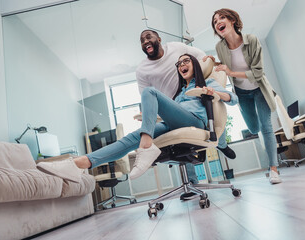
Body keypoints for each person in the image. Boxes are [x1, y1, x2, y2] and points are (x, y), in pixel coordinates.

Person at [38, 54, 238, 187]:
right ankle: (80, 163)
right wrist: (150, 118)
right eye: (178, 64)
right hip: (174, 122)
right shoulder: (179, 94)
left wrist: (214, 93)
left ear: (195, 64)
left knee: (150, 92)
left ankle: (146, 145)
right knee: (129, 139)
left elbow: (233, 98)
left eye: (185, 61)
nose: (181, 65)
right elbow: (172, 111)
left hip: (194, 121)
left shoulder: (207, 83)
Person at [137, 29, 236, 200]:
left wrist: (206, 62)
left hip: (189, 93)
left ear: (159, 39)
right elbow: (144, 93)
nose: (145, 41)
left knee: (209, 110)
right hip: (171, 102)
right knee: (179, 138)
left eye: (149, 37)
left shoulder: (175, 48)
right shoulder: (143, 69)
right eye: (141, 39)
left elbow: (197, 54)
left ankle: (222, 144)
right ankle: (191, 183)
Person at [208, 8, 282, 184]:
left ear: (232, 21)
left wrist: (231, 72)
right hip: (242, 93)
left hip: (260, 90)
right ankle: (271, 164)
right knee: (254, 129)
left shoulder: (252, 40)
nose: (218, 21)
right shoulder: (220, 47)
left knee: (266, 127)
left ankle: (273, 169)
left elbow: (258, 72)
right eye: (215, 21)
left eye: (222, 17)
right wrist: (214, 63)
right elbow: (225, 67)